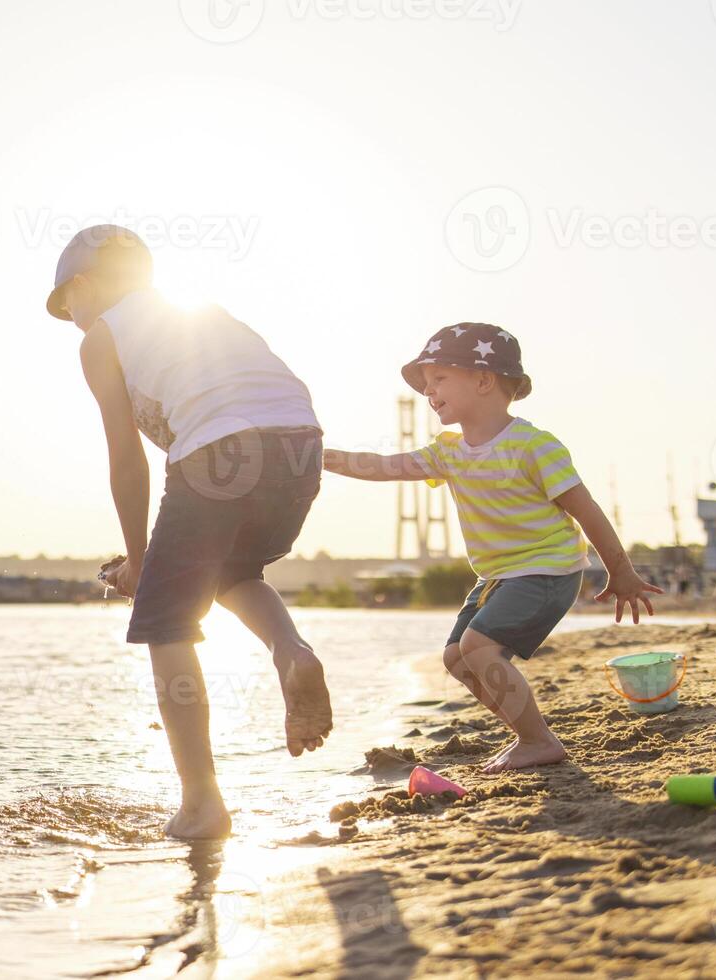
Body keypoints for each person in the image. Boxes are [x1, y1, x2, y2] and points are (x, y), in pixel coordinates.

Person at [47, 225, 332, 840]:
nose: (71, 320)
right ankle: (291, 650)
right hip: (302, 446)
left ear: (84, 283)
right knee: (233, 570)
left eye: (67, 306)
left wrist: (142, 560)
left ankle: (202, 804)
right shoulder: (201, 311)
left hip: (218, 448)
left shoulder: (103, 337)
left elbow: (127, 457)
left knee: (165, 620)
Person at [323, 323, 662, 773]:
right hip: (497, 577)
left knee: (479, 646)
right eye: (425, 385)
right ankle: (531, 735)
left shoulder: (533, 446)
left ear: (484, 380)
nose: (429, 392)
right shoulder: (448, 451)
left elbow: (588, 510)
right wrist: (323, 457)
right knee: (456, 657)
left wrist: (620, 571)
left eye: (439, 379)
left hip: (548, 569)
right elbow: (386, 466)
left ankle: (537, 741)